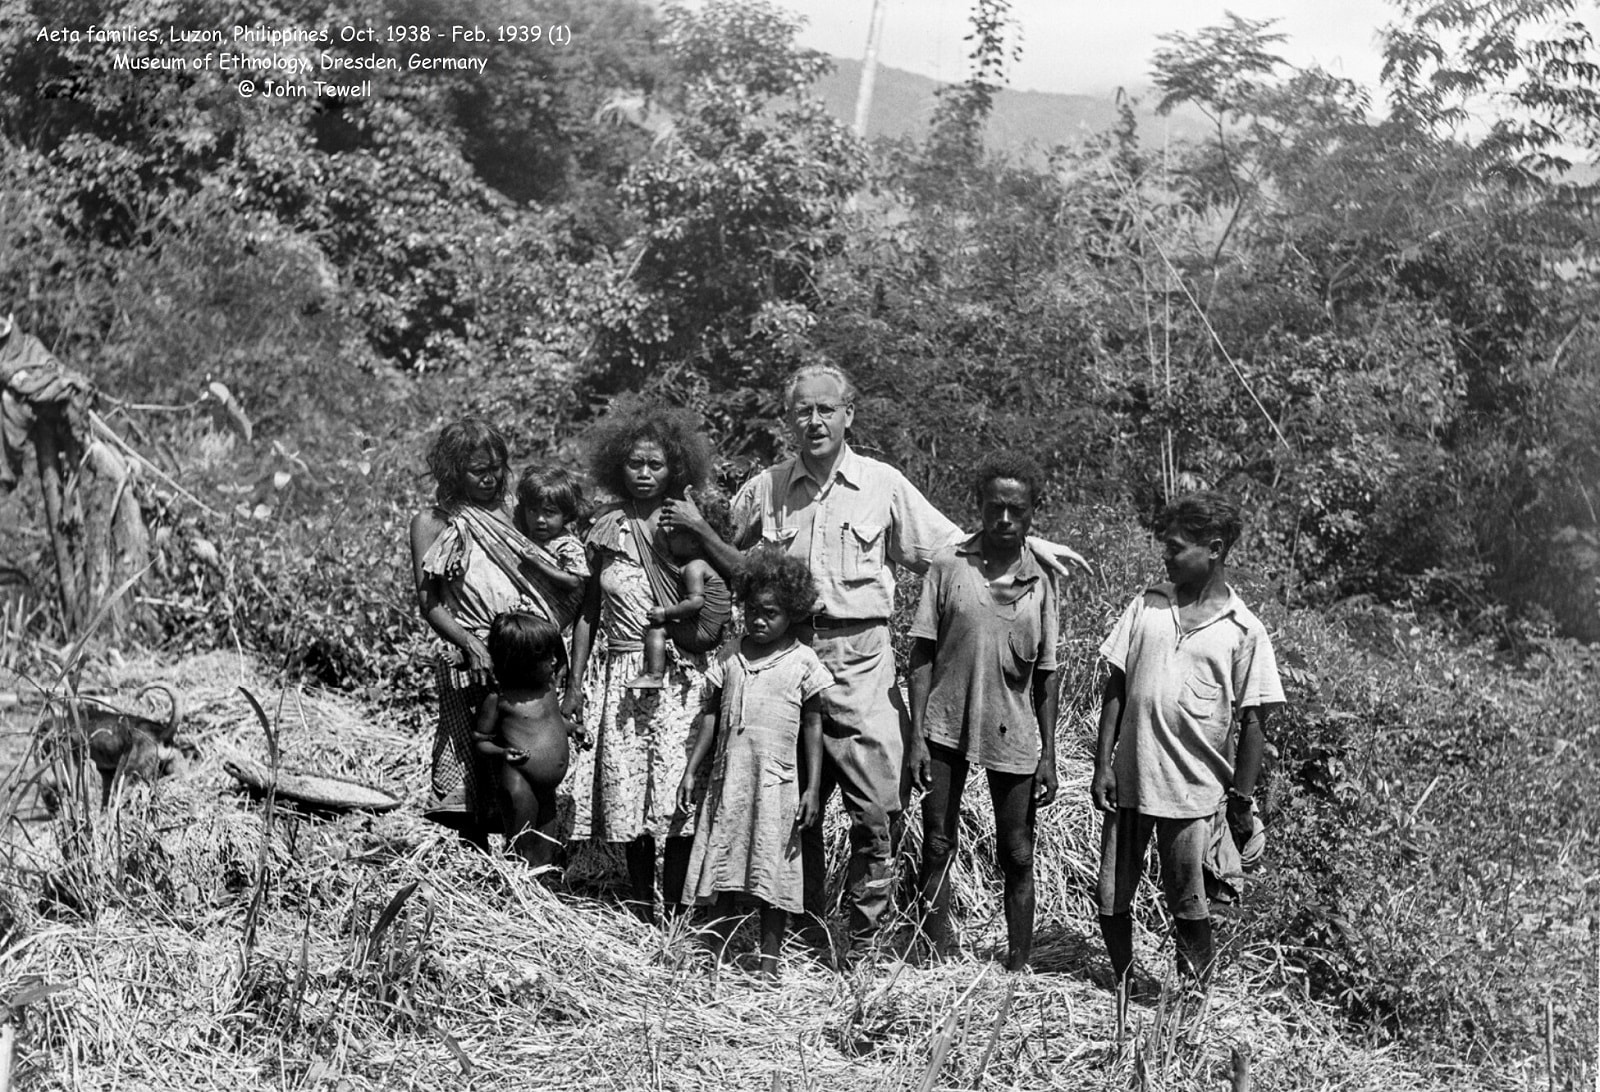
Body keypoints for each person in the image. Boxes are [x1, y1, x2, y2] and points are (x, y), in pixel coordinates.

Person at [661, 363, 1088, 954]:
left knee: (877, 806)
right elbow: (722, 556)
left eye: (825, 410)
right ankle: (798, 931)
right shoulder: (767, 487)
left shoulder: (883, 485)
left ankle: (866, 941)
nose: (814, 421)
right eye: (802, 411)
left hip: (863, 658)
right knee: (788, 800)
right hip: (786, 655)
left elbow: (954, 545)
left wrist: (1026, 541)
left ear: (848, 415)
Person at [1091, 491, 1285, 1014]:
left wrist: (1240, 800)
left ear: (1214, 549)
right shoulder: (1148, 605)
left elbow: (1253, 723)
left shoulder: (1245, 631)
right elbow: (1117, 684)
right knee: (1112, 898)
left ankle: (1192, 1002)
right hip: (1131, 779)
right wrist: (1102, 764)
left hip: (1192, 792)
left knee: (1190, 906)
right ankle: (1125, 986)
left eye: (1177, 548)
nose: (1166, 557)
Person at [909, 454, 1061, 973]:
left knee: (1018, 852)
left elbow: (1045, 673)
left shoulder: (1041, 584)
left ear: (1032, 514)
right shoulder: (949, 566)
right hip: (945, 723)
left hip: (1013, 732)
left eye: (1015, 510)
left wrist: (1049, 756)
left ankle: (1018, 967)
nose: (1003, 519)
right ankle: (934, 957)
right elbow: (922, 654)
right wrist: (915, 740)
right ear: (979, 506)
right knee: (936, 843)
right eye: (994, 507)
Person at [564, 406, 716, 920]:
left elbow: (714, 590)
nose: (645, 474)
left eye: (656, 464)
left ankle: (674, 912)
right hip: (621, 675)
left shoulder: (684, 525)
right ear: (617, 467)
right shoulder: (605, 529)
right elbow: (589, 610)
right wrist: (575, 681)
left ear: (675, 467)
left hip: (675, 676)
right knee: (628, 792)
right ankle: (638, 908)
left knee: (676, 794)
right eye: (635, 464)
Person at [678, 548, 831, 979]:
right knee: (722, 862)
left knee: (771, 870)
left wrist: (813, 788)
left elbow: (814, 726)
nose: (759, 621)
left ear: (793, 614)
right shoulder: (730, 655)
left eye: (772, 613)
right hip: (730, 781)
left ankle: (768, 962)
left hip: (776, 784)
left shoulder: (803, 661)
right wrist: (692, 769)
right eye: (752, 611)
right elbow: (710, 715)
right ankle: (715, 952)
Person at [409, 417, 562, 848]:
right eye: (478, 470)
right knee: (470, 757)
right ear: (454, 471)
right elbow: (431, 604)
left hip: (521, 650)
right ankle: (476, 867)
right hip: (468, 654)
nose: (490, 477)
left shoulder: (514, 511)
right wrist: (472, 644)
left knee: (524, 759)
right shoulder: (432, 522)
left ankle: (533, 863)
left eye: (496, 466)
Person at [473, 613, 585, 872]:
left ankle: (540, 889)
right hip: (519, 783)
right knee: (522, 846)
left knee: (546, 846)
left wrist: (575, 729)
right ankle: (517, 893)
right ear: (520, 663)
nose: (555, 661)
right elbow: (479, 740)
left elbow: (554, 721)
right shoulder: (500, 700)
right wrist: (502, 752)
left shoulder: (546, 689)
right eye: (546, 657)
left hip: (547, 788)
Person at [627, 490, 733, 690]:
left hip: (703, 633)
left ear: (693, 542)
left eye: (675, 534)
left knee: (657, 631)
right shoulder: (703, 564)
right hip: (713, 634)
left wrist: (665, 613)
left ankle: (654, 675)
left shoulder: (694, 568)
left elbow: (696, 602)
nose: (668, 536)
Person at [512, 466, 591, 632]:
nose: (540, 519)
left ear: (567, 515)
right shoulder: (527, 534)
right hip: (525, 610)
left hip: (547, 618)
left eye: (549, 513)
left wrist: (538, 563)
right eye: (533, 511)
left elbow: (574, 581)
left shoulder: (568, 545)